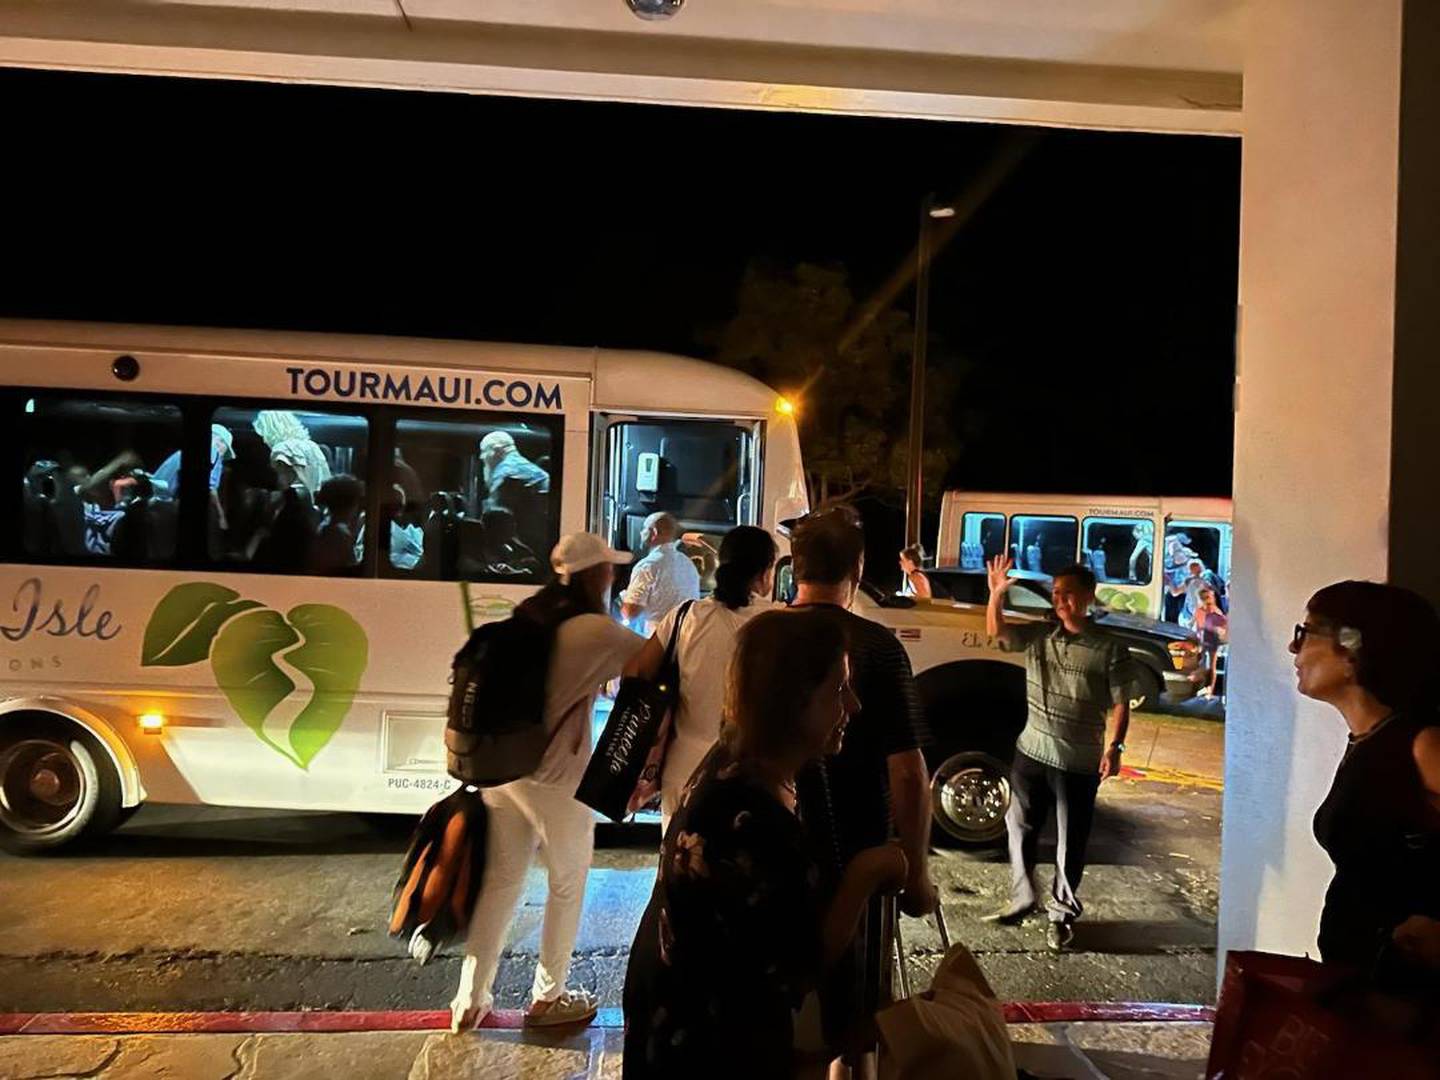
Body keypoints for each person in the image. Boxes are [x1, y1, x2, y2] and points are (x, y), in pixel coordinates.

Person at [622, 609, 907, 1079]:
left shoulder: (745, 760)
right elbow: (800, 963)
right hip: (704, 1046)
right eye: (838, 690)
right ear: (793, 702)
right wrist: (869, 872)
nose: (853, 705)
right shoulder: (748, 817)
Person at [450, 533, 645, 1032]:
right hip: (556, 776)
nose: (614, 575)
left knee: (503, 880)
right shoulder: (595, 631)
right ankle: (548, 996)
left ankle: (469, 1001)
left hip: (506, 769)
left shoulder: (531, 616)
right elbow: (656, 658)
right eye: (608, 569)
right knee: (567, 881)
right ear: (594, 575)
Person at [786, 507, 935, 1065]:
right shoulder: (874, 647)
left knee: (788, 1013)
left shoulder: (760, 637)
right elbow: (907, 770)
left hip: (779, 854)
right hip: (858, 858)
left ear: (794, 565)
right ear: (858, 566)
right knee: (857, 1020)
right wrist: (915, 870)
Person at [986, 555, 1138, 951]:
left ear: (1088, 597)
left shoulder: (1110, 648)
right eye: (1055, 593)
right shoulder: (1039, 636)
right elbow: (997, 633)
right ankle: (1023, 896)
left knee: (1071, 842)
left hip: (1079, 761)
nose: (1059, 600)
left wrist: (1115, 747)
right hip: (1031, 751)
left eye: (1068, 594)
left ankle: (1062, 914)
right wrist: (996, 594)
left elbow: (1122, 702)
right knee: (1018, 827)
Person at [1292, 580, 1440, 969]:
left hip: (1402, 998)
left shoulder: (1422, 745)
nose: (1295, 649)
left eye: (1304, 634)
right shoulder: (1367, 741)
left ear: (1352, 648)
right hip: (1358, 978)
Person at [623, 525, 778, 831]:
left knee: (679, 865)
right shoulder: (777, 622)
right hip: (750, 775)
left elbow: (636, 672)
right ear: (764, 572)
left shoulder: (685, 616)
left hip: (684, 772)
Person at [620, 511, 701, 635]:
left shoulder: (648, 566)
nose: (641, 533)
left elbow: (630, 613)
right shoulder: (688, 565)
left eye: (644, 529)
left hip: (656, 641)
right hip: (686, 639)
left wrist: (625, 597)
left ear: (654, 532)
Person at [480, 430, 550, 553]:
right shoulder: (530, 469)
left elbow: (494, 523)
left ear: (495, 451)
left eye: (483, 452)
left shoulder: (505, 473)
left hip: (530, 545)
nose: (482, 457)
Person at [1193, 586, 1228, 698]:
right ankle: (1201, 687)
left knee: (1212, 665)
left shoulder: (1215, 612)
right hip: (1203, 639)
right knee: (1201, 663)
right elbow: (1199, 625)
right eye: (1207, 597)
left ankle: (1210, 690)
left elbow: (1223, 625)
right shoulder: (1200, 611)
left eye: (1211, 597)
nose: (1210, 599)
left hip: (1212, 639)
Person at [1170, 559, 1222, 630]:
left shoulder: (1195, 582)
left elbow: (1175, 592)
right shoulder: (1200, 583)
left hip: (1192, 618)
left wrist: (1169, 581)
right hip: (1191, 617)